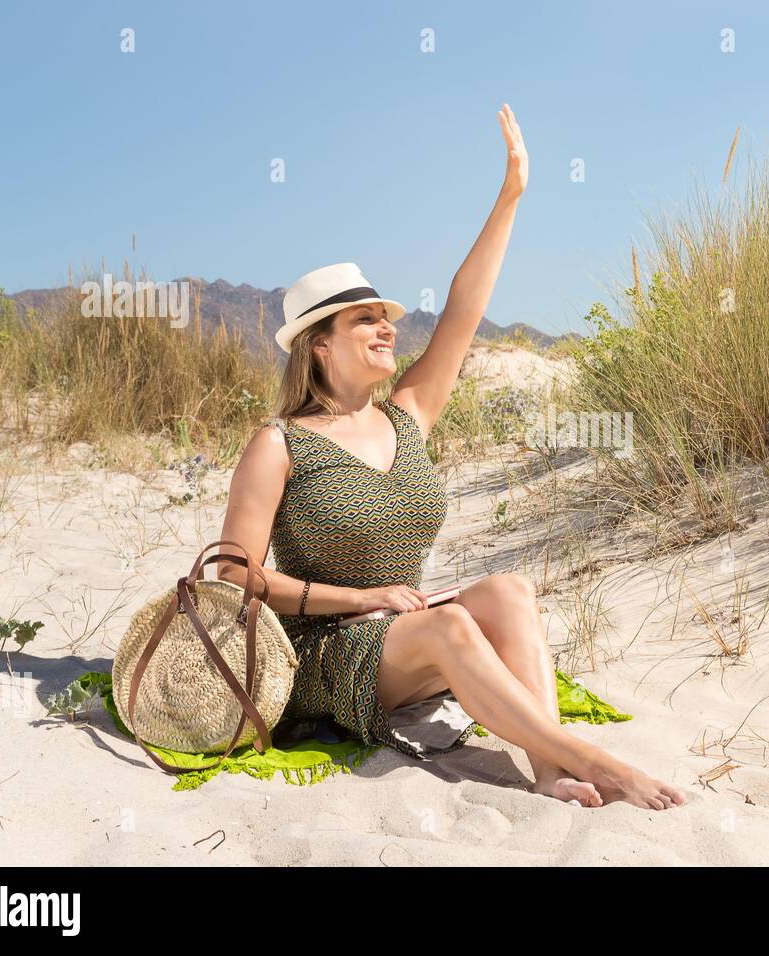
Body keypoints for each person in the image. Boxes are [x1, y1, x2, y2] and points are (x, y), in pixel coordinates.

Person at [217, 104, 687, 810]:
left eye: (386, 318)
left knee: (508, 592)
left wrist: (510, 196)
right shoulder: (280, 443)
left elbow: (465, 308)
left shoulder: (408, 415)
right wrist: (363, 598)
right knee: (452, 623)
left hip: (404, 630)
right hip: (323, 651)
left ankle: (550, 768)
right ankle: (590, 758)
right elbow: (232, 573)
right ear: (320, 344)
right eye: (365, 320)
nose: (386, 328)